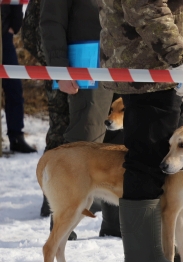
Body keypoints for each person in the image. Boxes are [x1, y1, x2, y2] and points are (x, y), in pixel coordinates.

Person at [98, 0, 183, 262]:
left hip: (169, 69)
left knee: (172, 166)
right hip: (152, 67)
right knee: (148, 162)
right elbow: (146, 7)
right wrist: (179, 59)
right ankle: (145, 261)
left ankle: (168, 247)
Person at [40, 0, 119, 237]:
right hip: (87, 62)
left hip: (125, 62)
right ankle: (62, 225)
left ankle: (118, 224)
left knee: (121, 145)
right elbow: (51, 21)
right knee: (85, 140)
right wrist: (58, 68)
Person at [21, 0, 71, 221]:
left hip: (88, 67)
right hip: (59, 69)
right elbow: (30, 34)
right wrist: (51, 59)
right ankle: (51, 198)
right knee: (60, 129)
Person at [1, 5, 36, 154]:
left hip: (4, 36)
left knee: (14, 86)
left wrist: (13, 26)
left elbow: (16, 3)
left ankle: (16, 137)